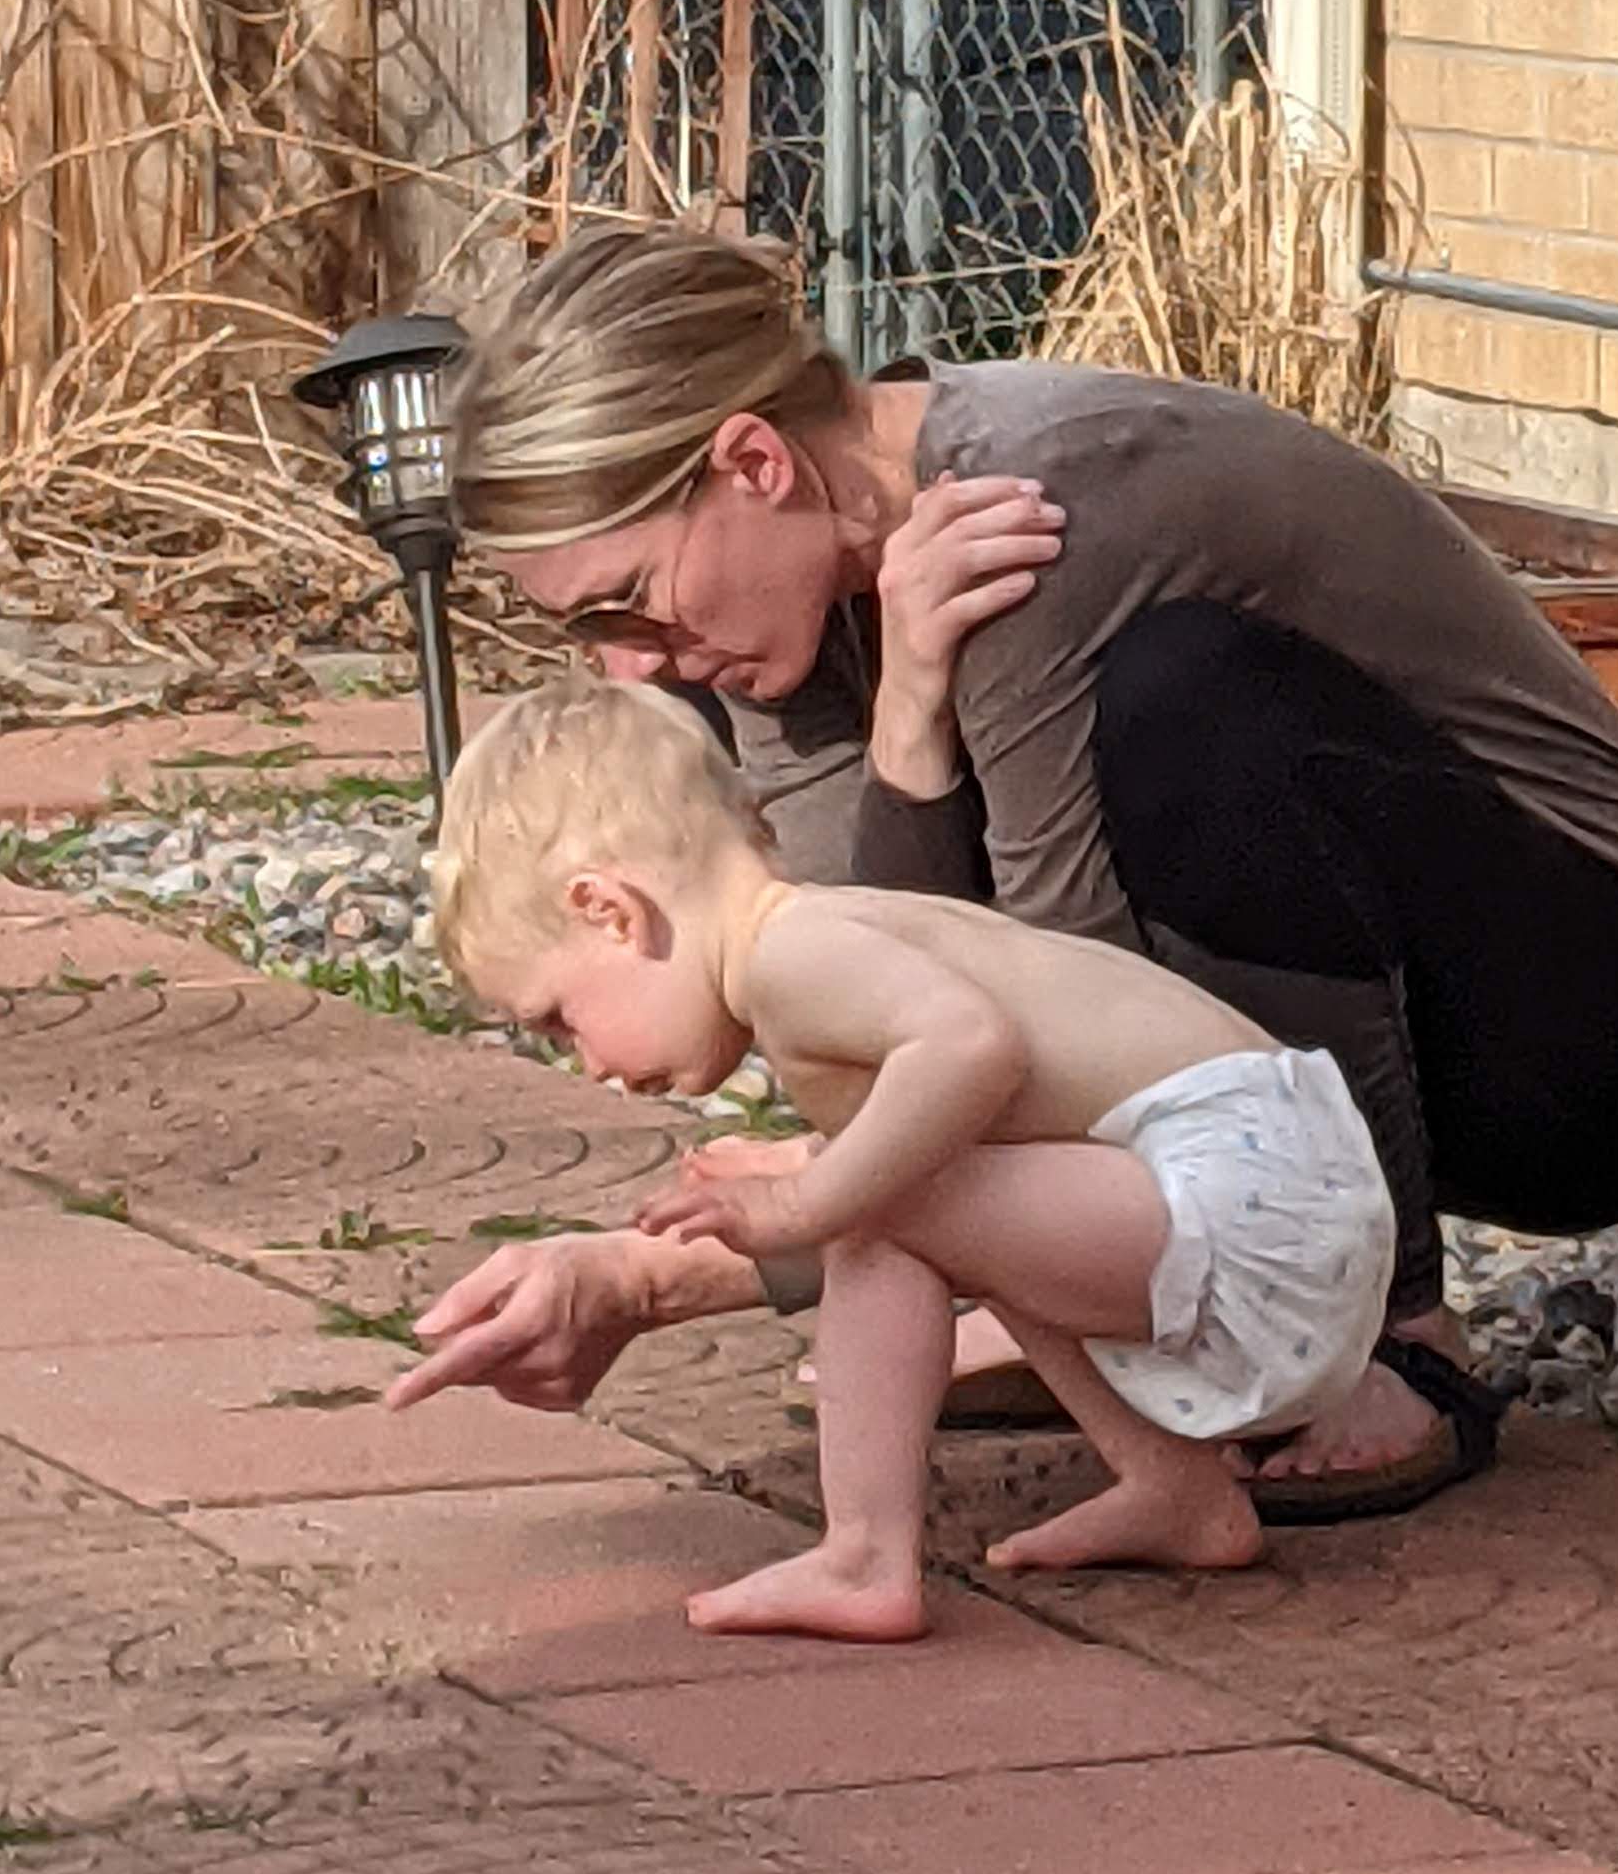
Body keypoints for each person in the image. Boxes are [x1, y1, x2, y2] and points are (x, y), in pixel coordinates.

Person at [392, 224, 1618, 1519]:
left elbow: (1070, 1001)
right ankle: (1197, 1325)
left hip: (1611, 1038)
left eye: (624, 602)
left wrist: (762, 1244)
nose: (632, 660)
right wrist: (907, 723)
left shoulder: (1037, 503)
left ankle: (1400, 1336)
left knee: (1185, 703)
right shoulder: (778, 614)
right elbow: (889, 1006)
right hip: (1346, 1076)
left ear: (751, 463)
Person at [424, 677, 1397, 1633]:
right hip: (1285, 1190)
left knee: (884, 1211)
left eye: (559, 1020)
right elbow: (973, 1091)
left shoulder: (791, 959)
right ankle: (1177, 1491)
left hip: (1250, 1203)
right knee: (935, 1194)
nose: (588, 1061)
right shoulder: (832, 932)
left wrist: (810, 1202)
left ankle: (864, 1556)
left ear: (609, 911)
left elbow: (971, 1045)